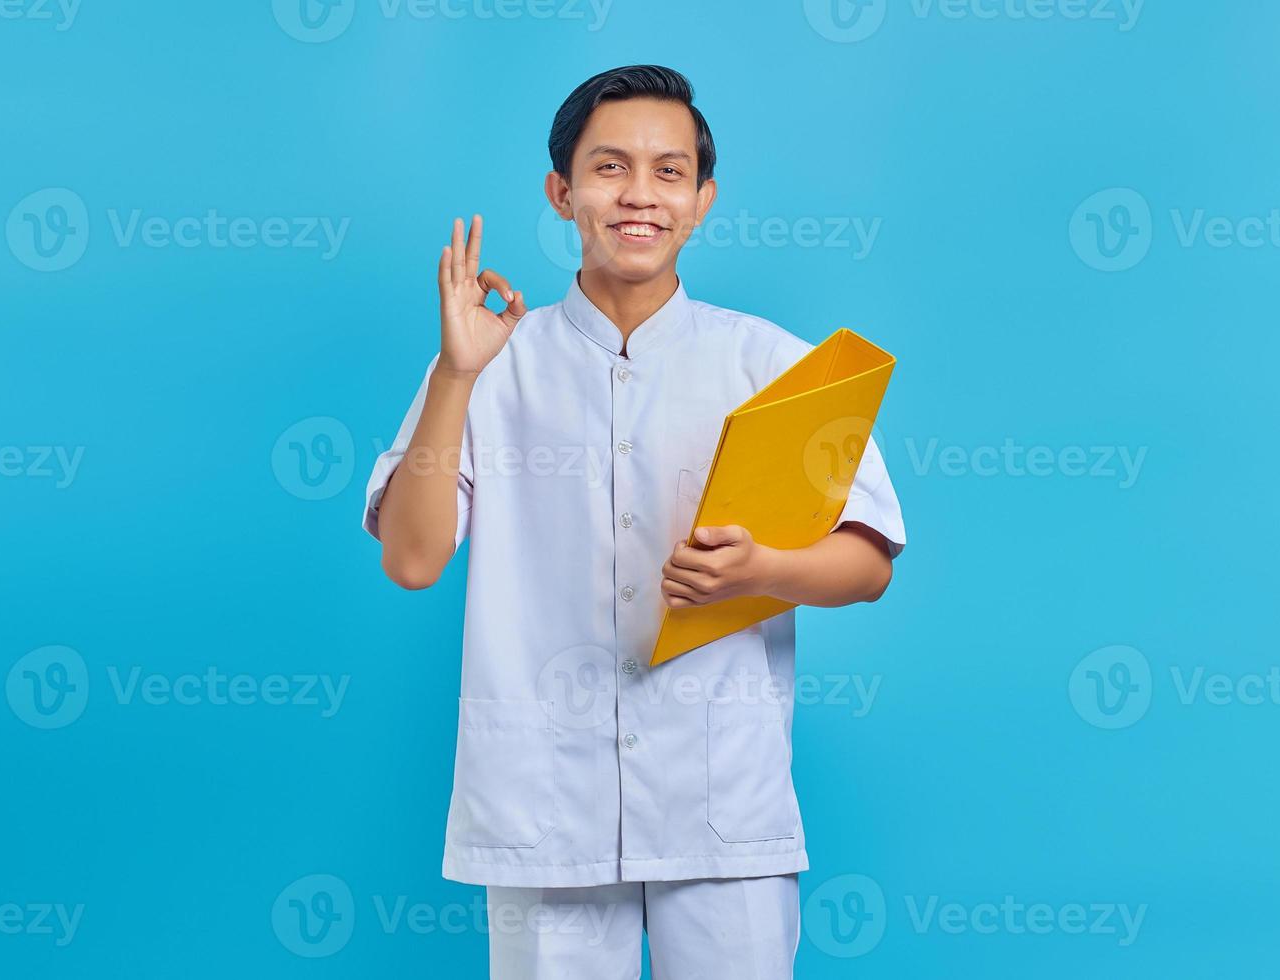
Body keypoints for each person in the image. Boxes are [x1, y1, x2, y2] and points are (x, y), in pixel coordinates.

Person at [363, 64, 905, 980]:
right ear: (563, 191)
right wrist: (455, 375)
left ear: (702, 199)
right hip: (547, 803)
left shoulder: (771, 362)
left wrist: (759, 568)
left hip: (720, 798)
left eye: (668, 171)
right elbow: (413, 561)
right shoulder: (491, 366)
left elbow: (868, 564)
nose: (640, 195)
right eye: (610, 168)